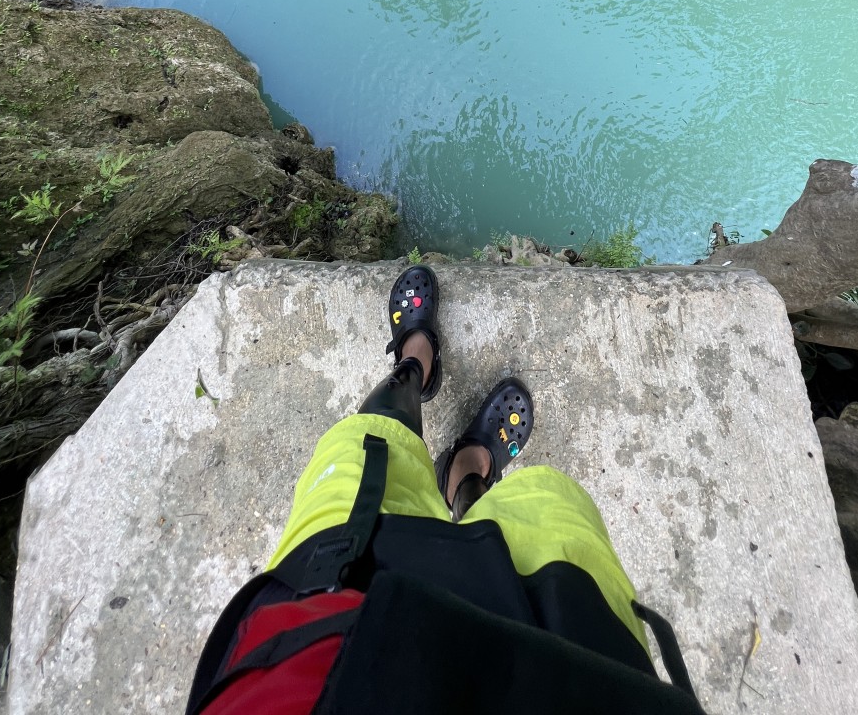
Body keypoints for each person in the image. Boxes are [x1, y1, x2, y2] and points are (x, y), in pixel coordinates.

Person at [186, 266, 706, 714]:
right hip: (568, 657)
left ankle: (414, 361)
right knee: (546, 524)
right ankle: (467, 477)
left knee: (361, 457)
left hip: (316, 631)